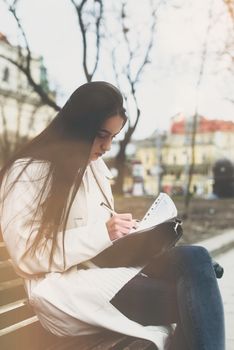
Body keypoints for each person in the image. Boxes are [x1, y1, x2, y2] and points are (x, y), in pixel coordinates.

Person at [0, 81, 225, 350]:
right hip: (65, 288)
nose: (107, 147)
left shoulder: (93, 168)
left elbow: (98, 230)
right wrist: (104, 232)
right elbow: (28, 255)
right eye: (101, 135)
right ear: (78, 127)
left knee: (197, 259)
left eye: (113, 138)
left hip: (105, 270)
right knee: (192, 297)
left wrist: (137, 234)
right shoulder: (29, 173)